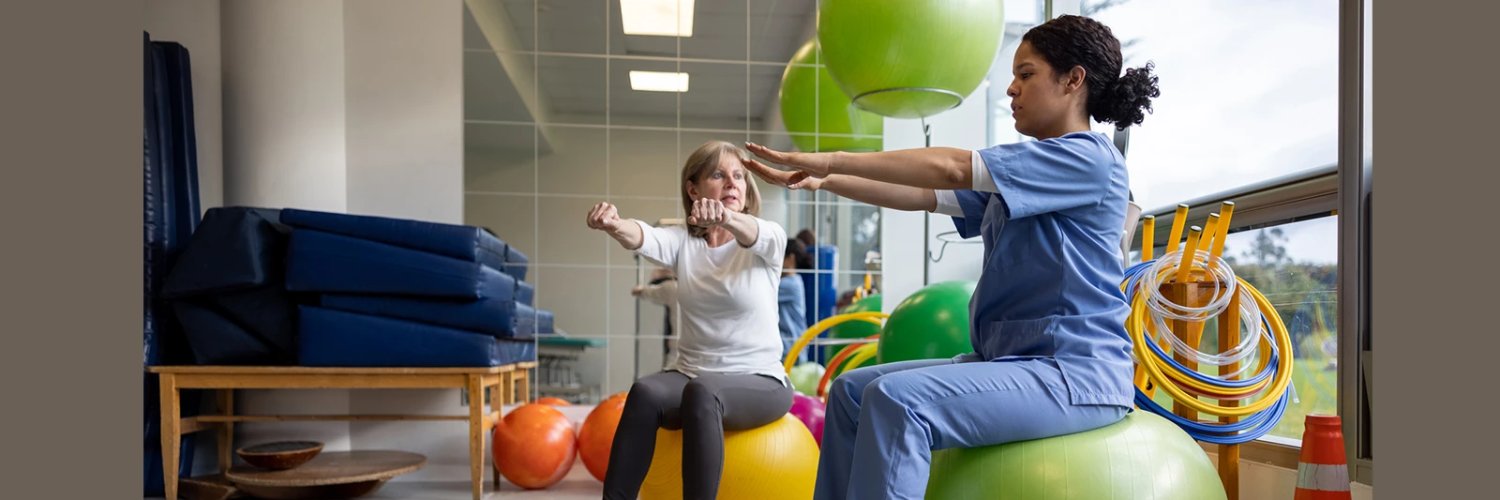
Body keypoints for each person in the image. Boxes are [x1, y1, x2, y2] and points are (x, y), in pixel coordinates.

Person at [741, 15, 1159, 500]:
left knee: (900, 403)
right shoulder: (1031, 171)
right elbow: (924, 192)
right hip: (1013, 363)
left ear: (1073, 80)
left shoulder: (1089, 159)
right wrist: (824, 181)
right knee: (851, 393)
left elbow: (953, 167)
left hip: (1074, 374)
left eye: (1026, 75)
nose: (1011, 89)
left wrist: (832, 159)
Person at [586, 140, 795, 500]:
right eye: (718, 174)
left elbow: (755, 233)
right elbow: (646, 237)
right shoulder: (685, 243)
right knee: (646, 391)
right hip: (693, 371)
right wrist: (615, 225)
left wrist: (726, 217)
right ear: (693, 189)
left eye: (739, 176)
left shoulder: (768, 240)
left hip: (761, 379)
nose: (732, 183)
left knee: (703, 391)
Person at [632, 266, 680, 368]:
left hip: (677, 352)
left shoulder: (672, 288)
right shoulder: (707, 287)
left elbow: (638, 291)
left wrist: (663, 273)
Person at [779, 239, 810, 364]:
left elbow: (760, 291)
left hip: (791, 350)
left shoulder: (790, 284)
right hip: (790, 349)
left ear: (790, 258)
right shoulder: (791, 281)